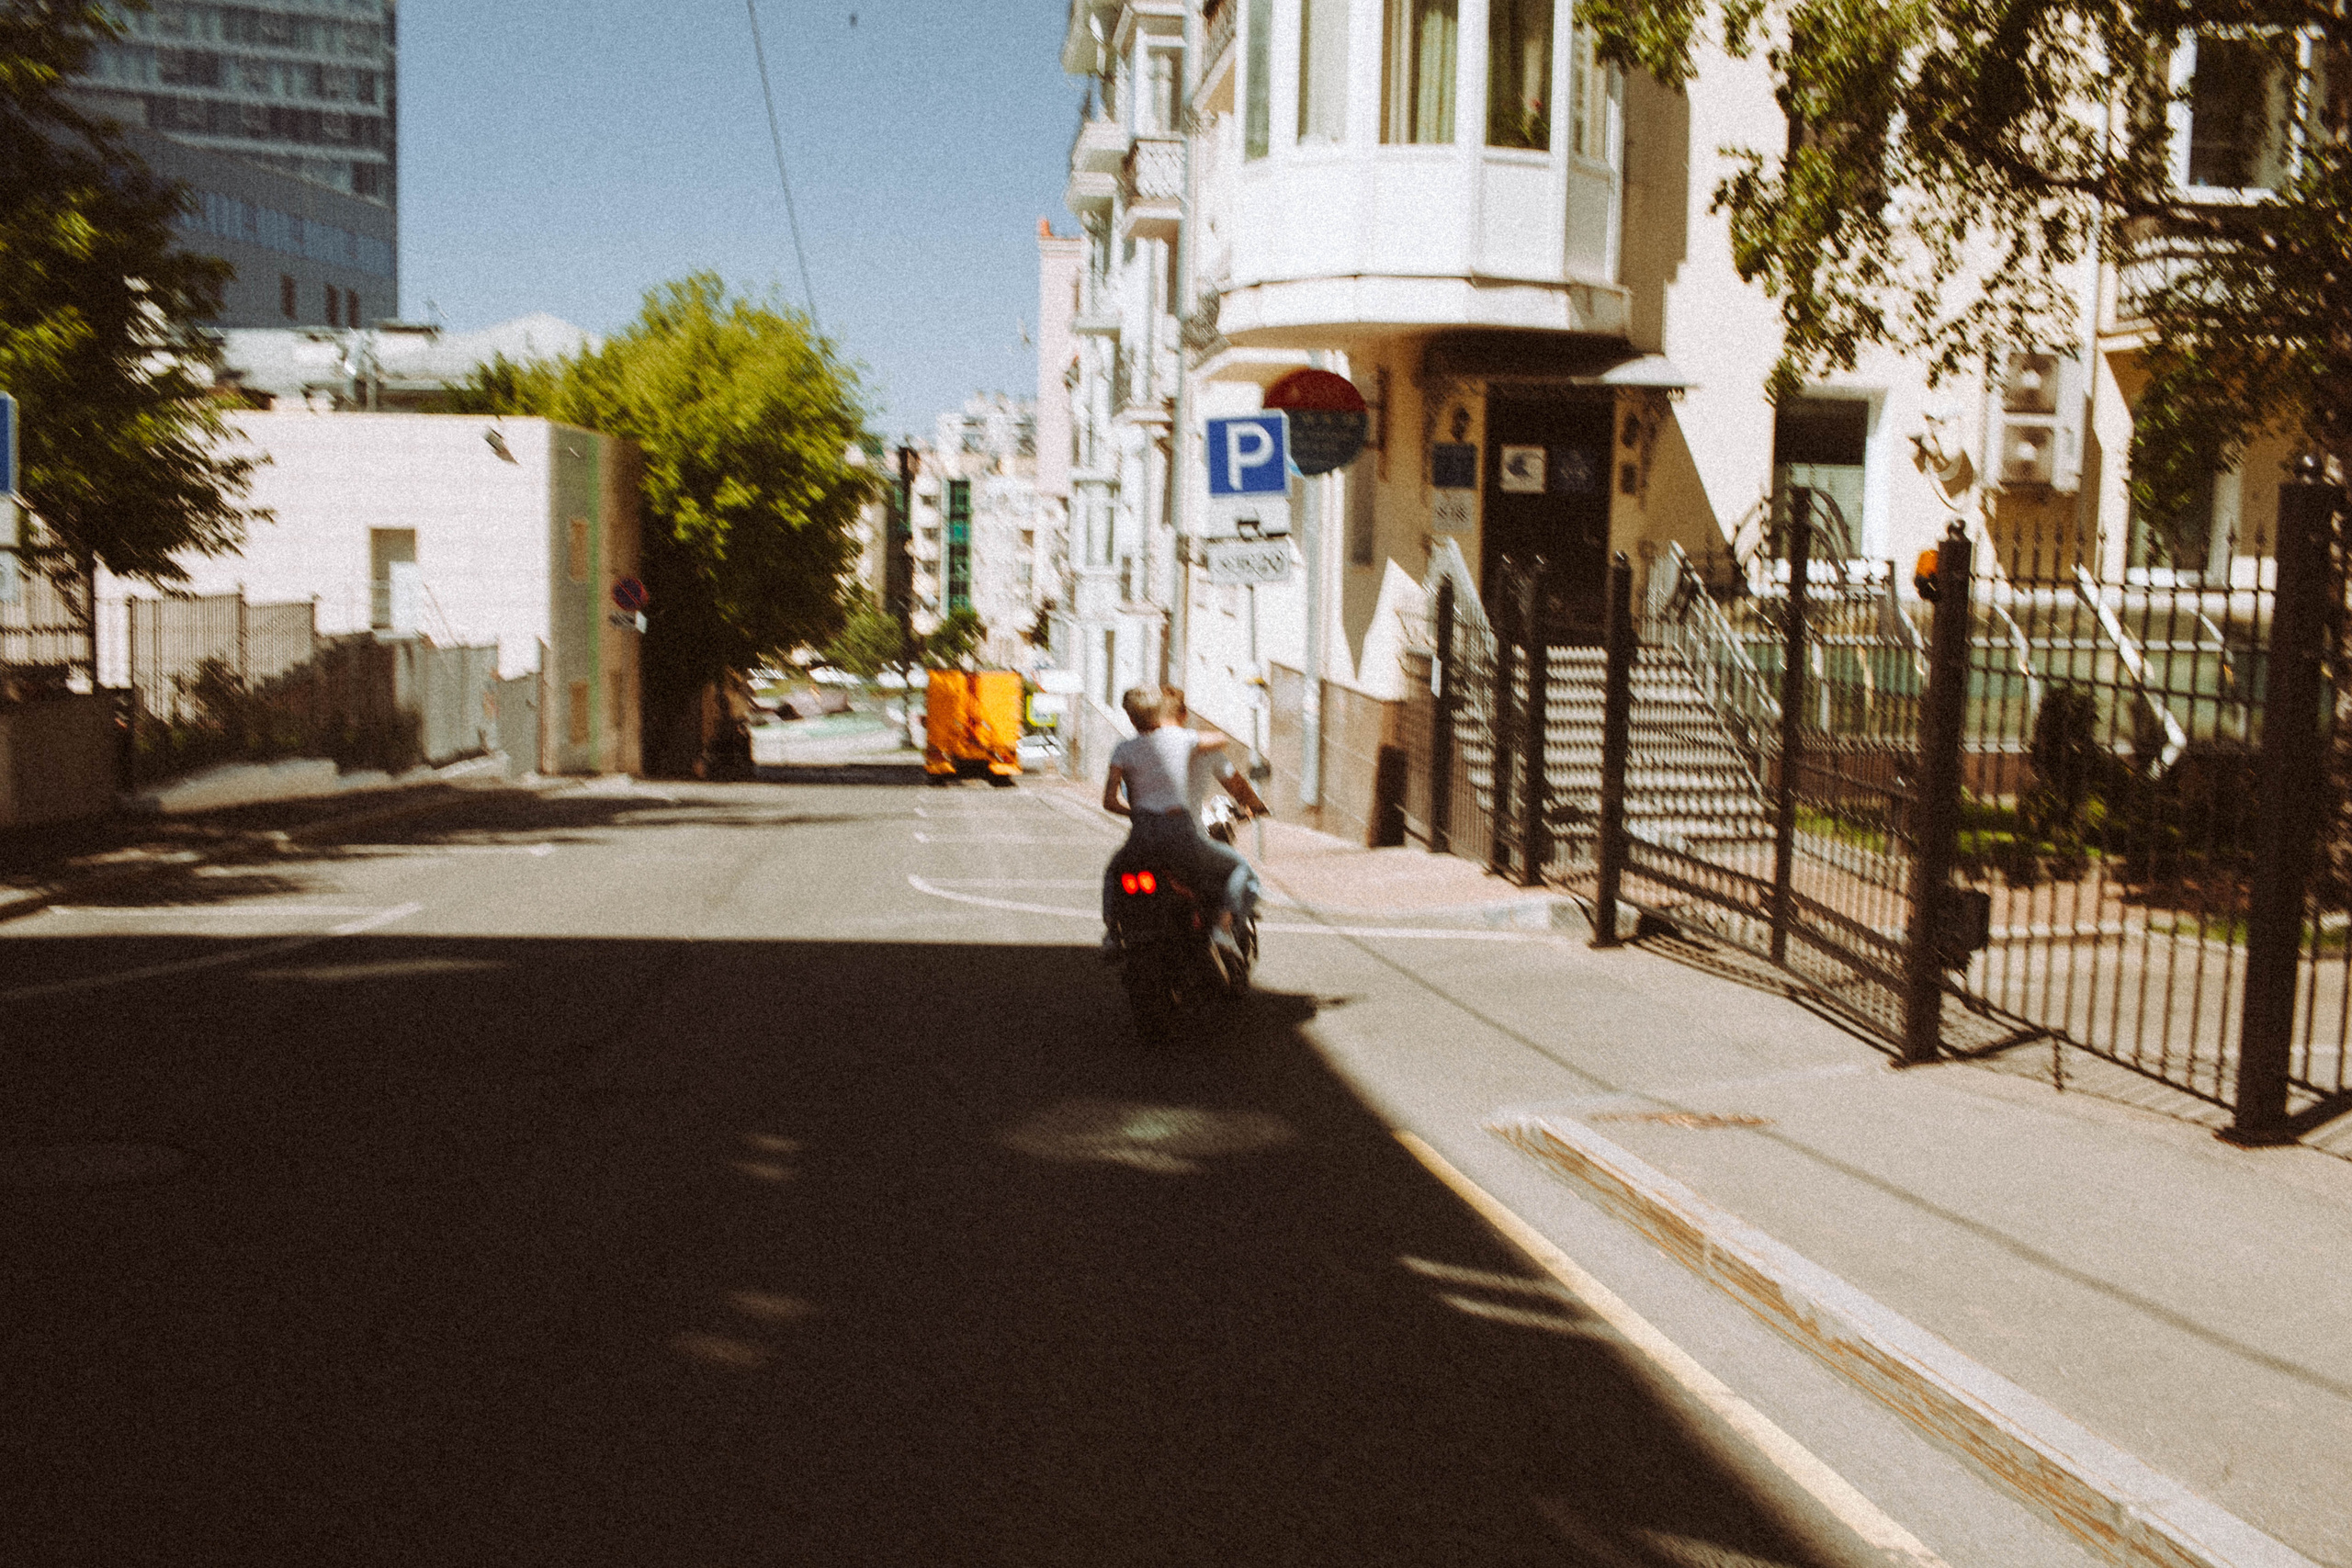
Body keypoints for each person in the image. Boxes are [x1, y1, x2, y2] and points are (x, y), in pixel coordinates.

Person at [1099, 686, 1260, 959]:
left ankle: (1113, 934)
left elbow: (1109, 801)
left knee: (1113, 873)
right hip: (1180, 833)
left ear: (1131, 718)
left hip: (1142, 836)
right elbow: (1221, 739)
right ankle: (1222, 929)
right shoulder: (1181, 739)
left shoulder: (1124, 749)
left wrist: (1137, 814)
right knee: (1242, 869)